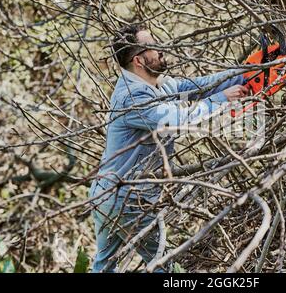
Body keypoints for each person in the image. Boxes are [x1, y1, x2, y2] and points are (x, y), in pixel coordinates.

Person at [89, 24, 248, 272]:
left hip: (109, 195)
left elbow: (197, 86)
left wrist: (245, 73)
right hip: (128, 199)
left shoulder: (158, 85)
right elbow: (179, 120)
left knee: (105, 266)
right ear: (139, 60)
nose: (160, 49)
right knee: (164, 266)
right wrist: (221, 99)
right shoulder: (134, 98)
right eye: (152, 46)